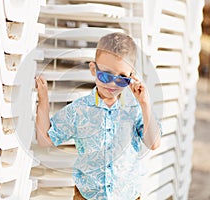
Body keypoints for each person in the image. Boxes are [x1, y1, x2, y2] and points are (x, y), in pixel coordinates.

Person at [36, 32, 161, 200]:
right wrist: (43, 99)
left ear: (131, 78)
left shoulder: (134, 109)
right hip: (87, 196)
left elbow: (153, 143)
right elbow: (45, 140)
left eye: (122, 79)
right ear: (93, 69)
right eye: (105, 75)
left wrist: (145, 104)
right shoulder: (79, 110)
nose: (112, 84)